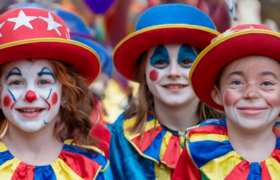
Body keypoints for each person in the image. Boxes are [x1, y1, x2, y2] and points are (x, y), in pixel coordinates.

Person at [110, 4, 223, 179]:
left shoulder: (230, 135)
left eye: (186, 61)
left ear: (205, 69)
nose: (173, 72)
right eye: (161, 62)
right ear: (144, 71)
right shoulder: (119, 137)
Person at [0, 8, 112, 179]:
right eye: (16, 82)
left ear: (65, 94)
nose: (30, 95)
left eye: (43, 82)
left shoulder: (92, 168)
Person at [172, 24, 280, 180]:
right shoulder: (199, 152)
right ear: (217, 94)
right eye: (237, 82)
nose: (251, 94)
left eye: (267, 83)